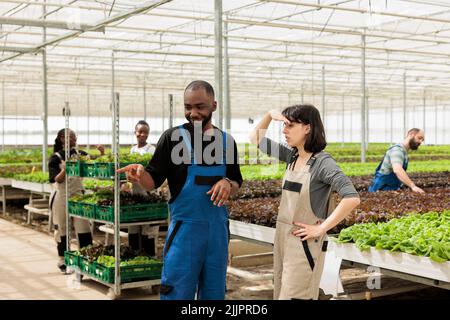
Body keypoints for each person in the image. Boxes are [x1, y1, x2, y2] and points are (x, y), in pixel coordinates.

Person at [118, 80, 243, 300]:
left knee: (214, 294)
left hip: (217, 233)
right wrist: (140, 176)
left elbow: (236, 183)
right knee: (177, 292)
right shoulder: (172, 138)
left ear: (214, 105)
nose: (193, 113)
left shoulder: (226, 141)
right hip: (185, 233)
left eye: (200, 107)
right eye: (188, 107)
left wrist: (227, 183)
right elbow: (152, 180)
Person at [249, 105, 360, 300]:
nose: (284, 130)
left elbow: (352, 197)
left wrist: (321, 228)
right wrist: (268, 116)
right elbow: (255, 140)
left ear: (307, 128)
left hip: (303, 245)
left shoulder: (322, 163)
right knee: (280, 293)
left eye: (290, 125)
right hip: (283, 238)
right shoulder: (291, 156)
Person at [48, 128, 104, 273]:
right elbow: (56, 179)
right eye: (71, 137)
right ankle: (63, 260)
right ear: (62, 138)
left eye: (74, 136)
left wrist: (102, 154)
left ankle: (87, 258)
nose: (74, 139)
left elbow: (94, 162)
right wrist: (65, 169)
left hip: (78, 195)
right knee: (62, 228)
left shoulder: (79, 154)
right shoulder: (55, 157)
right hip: (61, 196)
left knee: (83, 226)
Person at [126, 120, 158, 256]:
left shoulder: (152, 150)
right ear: (135, 133)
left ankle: (149, 259)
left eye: (145, 132)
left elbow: (154, 172)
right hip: (135, 194)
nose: (143, 134)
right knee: (133, 230)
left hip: (149, 195)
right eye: (140, 132)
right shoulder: (132, 150)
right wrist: (129, 178)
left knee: (148, 231)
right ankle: (134, 259)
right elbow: (129, 173)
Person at [368, 128, 425, 193]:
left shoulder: (403, 151)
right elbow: (398, 170)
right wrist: (413, 186)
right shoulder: (397, 150)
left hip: (389, 189)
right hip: (381, 189)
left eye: (422, 140)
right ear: (411, 134)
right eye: (419, 138)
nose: (420, 142)